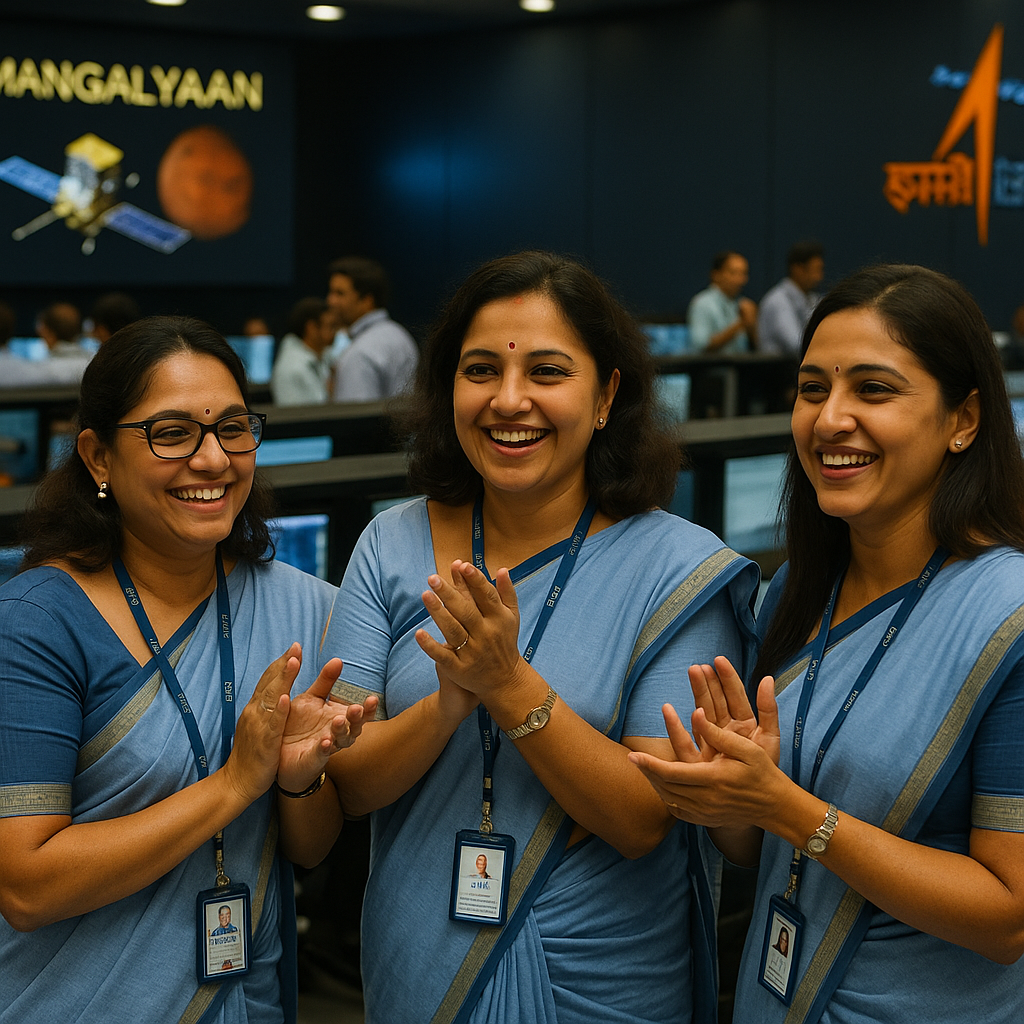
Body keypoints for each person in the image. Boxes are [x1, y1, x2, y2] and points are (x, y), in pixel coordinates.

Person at [280, 250, 760, 1023]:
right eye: (480, 371)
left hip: (602, 977)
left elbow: (644, 817)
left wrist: (510, 688)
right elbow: (350, 784)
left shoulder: (677, 569)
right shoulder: (390, 544)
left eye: (547, 372)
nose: (510, 401)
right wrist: (444, 706)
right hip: (419, 959)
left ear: (605, 395)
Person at [633, 264, 1024, 1023]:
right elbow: (758, 850)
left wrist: (790, 810)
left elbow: (1008, 917)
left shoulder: (1006, 615)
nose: (829, 419)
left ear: (963, 420)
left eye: (873, 390)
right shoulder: (792, 594)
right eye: (813, 389)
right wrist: (730, 796)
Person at [0, 316, 374, 1024]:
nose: (213, 459)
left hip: (247, 999)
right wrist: (235, 784)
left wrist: (299, 780)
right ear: (98, 456)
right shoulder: (37, 624)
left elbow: (311, 848)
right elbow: (27, 887)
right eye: (172, 433)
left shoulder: (301, 610)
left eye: (232, 428)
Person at [326, 256, 418, 402]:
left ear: (367, 300)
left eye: (340, 294)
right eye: (331, 293)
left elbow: (356, 422)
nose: (330, 301)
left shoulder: (359, 354)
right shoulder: (400, 335)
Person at [757, 241, 825, 357]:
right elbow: (796, 345)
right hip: (777, 372)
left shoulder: (812, 298)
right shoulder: (778, 302)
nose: (819, 277)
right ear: (798, 269)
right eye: (815, 270)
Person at [687, 251, 757, 353]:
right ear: (716, 274)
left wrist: (752, 327)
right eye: (734, 273)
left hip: (742, 367)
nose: (740, 280)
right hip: (712, 368)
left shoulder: (744, 304)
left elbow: (759, 347)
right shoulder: (702, 303)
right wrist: (740, 324)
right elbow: (701, 345)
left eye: (743, 274)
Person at [271, 298, 334, 406]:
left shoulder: (323, 356)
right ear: (311, 328)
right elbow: (299, 417)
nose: (335, 332)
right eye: (330, 326)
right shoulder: (292, 367)